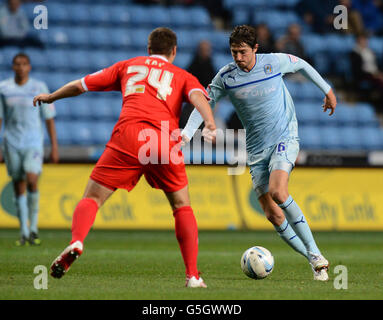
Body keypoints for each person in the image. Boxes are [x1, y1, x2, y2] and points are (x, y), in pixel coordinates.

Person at [33, 27, 216, 288]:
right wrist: (209, 121)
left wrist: (51, 97)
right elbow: (198, 96)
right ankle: (193, 276)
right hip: (162, 139)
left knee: (93, 198)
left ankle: (77, 240)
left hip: (128, 135)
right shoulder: (181, 75)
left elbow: (80, 85)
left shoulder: (127, 66)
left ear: (148, 48)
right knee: (181, 206)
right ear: (174, 51)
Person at [182, 25, 337, 281]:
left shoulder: (273, 62)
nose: (238, 58)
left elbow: (302, 65)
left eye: (243, 52)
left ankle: (316, 254)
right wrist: (187, 134)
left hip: (284, 137)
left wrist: (328, 91)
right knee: (272, 213)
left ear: (255, 48)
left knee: (278, 192)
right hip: (255, 149)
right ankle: (314, 260)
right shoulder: (226, 76)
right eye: (234, 52)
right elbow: (204, 103)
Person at [0, 52, 59, 246]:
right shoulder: (4, 88)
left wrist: (54, 146)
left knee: (32, 179)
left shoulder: (39, 87)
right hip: (12, 142)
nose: (20, 67)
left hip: (33, 142)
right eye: (17, 64)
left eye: (24, 64)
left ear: (29, 67)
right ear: (12, 67)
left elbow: (49, 118)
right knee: (18, 184)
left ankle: (33, 228)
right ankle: (23, 231)